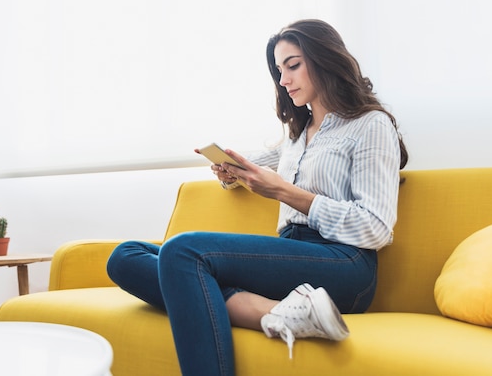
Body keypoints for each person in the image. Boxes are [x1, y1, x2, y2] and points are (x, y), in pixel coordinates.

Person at [107, 19, 409, 376]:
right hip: (291, 254)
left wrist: (284, 191)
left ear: (325, 59)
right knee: (125, 256)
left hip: (344, 264)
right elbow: (251, 166)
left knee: (183, 250)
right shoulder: (297, 137)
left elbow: (375, 228)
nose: (284, 80)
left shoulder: (370, 124)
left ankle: (277, 310)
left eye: (293, 65)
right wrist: (230, 172)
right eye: (279, 70)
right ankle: (279, 312)